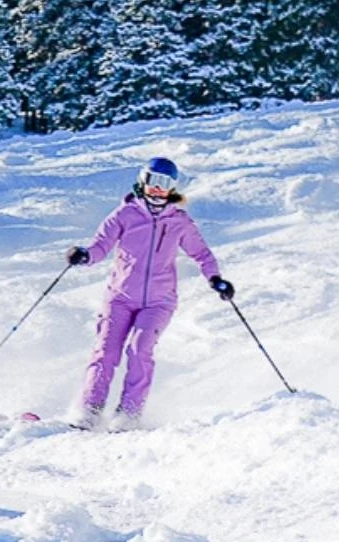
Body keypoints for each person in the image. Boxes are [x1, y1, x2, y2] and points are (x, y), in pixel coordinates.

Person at [67, 155, 230, 427]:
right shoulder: (125, 214)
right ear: (143, 181)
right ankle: (90, 409)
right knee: (106, 351)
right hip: (120, 297)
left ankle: (129, 413)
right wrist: (84, 256)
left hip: (159, 301)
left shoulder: (180, 221)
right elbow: (100, 246)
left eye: (165, 184)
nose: (158, 189)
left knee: (139, 349)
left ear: (172, 189)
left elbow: (201, 254)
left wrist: (215, 279)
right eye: (153, 181)